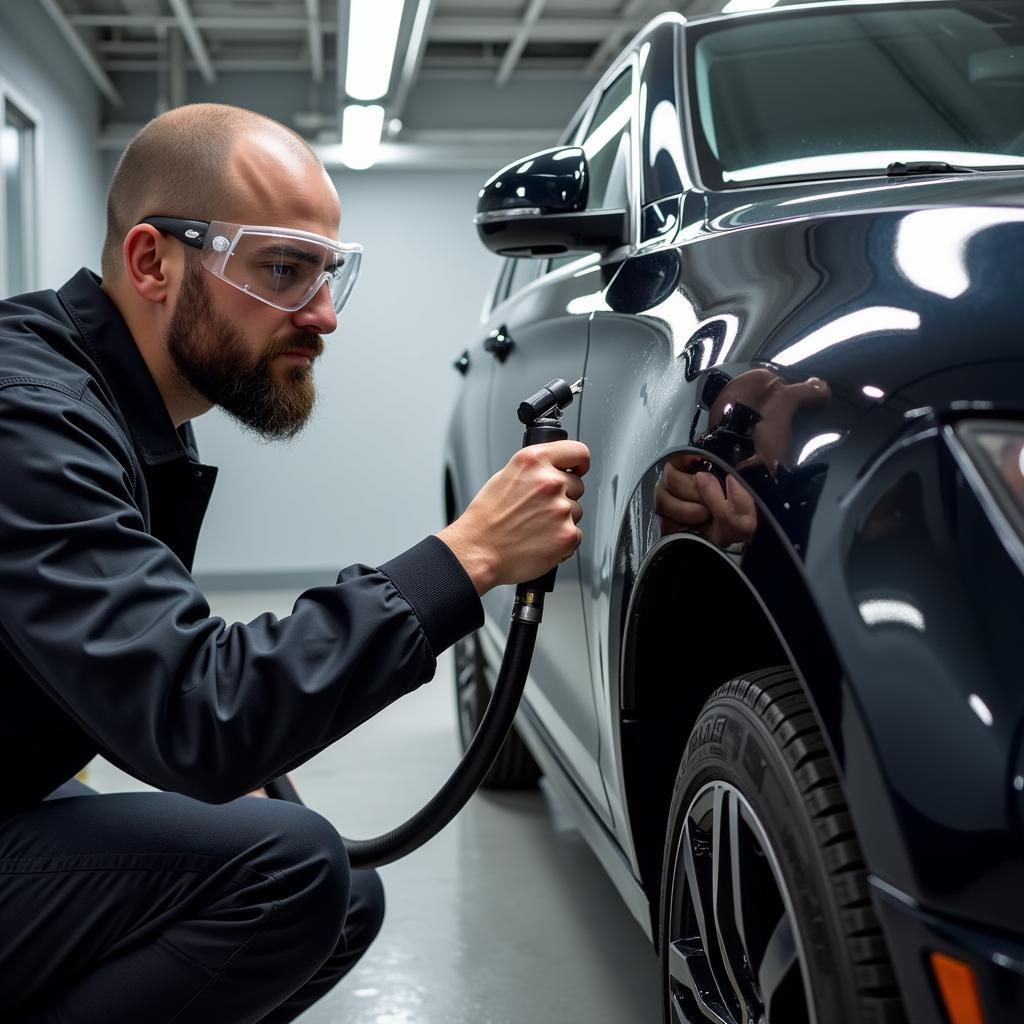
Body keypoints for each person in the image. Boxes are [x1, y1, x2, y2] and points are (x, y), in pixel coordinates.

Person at [0, 103, 589, 1022]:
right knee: (289, 871)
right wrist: (464, 557)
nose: (321, 315)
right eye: (281, 268)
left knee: (336, 889)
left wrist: (249, 763)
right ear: (154, 262)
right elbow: (194, 710)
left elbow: (129, 667)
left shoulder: (124, 414)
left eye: (327, 274)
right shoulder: (28, 419)